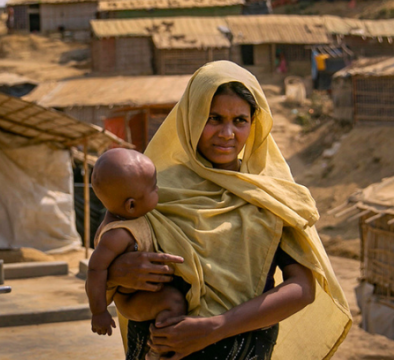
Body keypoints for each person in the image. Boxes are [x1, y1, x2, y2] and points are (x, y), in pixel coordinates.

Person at [105, 61, 351, 360]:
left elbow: (302, 287)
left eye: (240, 121)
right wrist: (116, 272)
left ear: (254, 124)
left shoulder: (271, 196)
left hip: (241, 349)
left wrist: (217, 326)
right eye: (214, 118)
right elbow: (109, 250)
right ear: (192, 117)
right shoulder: (152, 189)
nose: (227, 133)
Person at [86, 149, 186, 348]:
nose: (159, 189)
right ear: (131, 205)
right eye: (154, 188)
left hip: (145, 290)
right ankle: (159, 349)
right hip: (131, 298)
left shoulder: (132, 215)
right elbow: (95, 271)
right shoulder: (117, 236)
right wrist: (98, 312)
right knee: (174, 303)